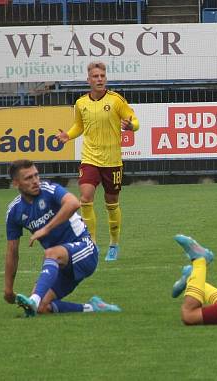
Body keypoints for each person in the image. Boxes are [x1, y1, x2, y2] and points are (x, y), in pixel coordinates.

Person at [4, 159, 121, 317]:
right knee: (42, 307)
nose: (35, 181)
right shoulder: (14, 211)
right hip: (59, 265)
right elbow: (12, 252)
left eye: (36, 175)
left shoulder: (49, 190)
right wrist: (8, 289)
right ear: (16, 183)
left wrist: (45, 229)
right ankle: (94, 307)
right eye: (28, 178)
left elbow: (73, 203)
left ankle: (33, 299)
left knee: (51, 253)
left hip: (85, 250)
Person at [55, 61, 139, 262]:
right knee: (85, 198)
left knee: (111, 203)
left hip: (112, 161)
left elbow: (134, 121)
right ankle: (91, 243)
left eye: (102, 76)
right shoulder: (81, 103)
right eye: (95, 76)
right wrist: (68, 135)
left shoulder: (116, 100)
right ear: (89, 80)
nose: (99, 79)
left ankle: (114, 243)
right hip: (90, 158)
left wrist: (130, 126)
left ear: (105, 79)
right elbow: (79, 125)